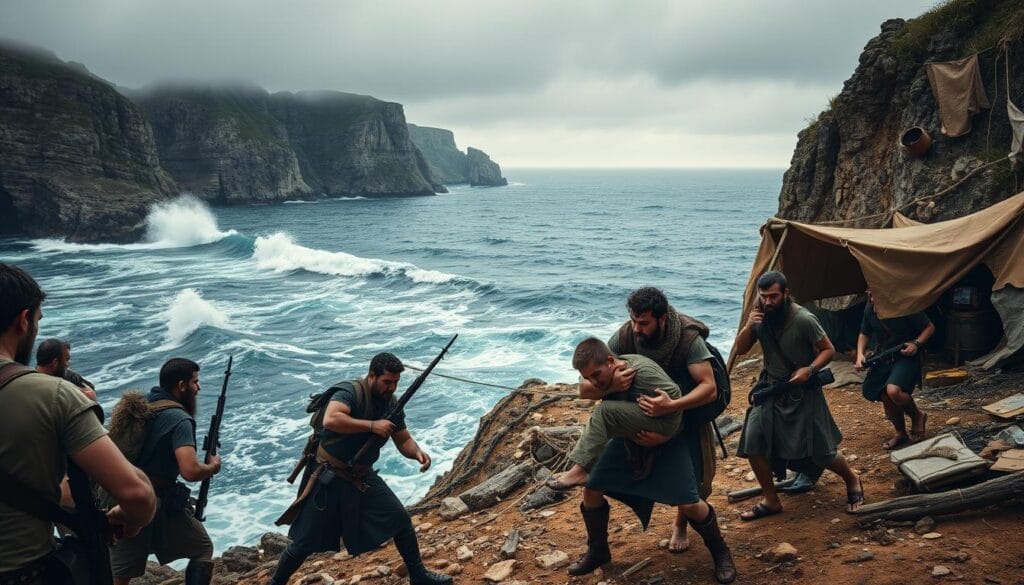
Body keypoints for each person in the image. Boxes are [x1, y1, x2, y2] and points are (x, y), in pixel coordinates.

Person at [566, 287, 736, 584]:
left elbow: (708, 389)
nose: (636, 328)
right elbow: (586, 386)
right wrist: (612, 385)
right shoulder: (625, 338)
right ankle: (598, 551)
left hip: (680, 426)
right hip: (632, 425)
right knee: (592, 487)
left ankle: (720, 551)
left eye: (643, 323)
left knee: (689, 499)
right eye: (633, 320)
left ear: (661, 319)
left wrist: (672, 406)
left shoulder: (687, 339)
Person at [0, 263, 156, 584]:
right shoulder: (55, 395)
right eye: (38, 320)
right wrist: (126, 519)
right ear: (24, 319)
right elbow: (137, 495)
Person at [270, 353, 451, 585]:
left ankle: (418, 576)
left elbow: (403, 439)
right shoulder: (350, 392)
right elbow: (331, 419)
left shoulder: (391, 403)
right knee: (304, 542)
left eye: (396, 382)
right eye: (387, 381)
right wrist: (371, 425)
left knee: (400, 519)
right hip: (328, 475)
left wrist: (417, 453)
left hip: (360, 476)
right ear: (372, 375)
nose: (391, 387)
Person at [733, 271, 864, 521]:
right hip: (770, 390)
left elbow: (828, 350)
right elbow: (740, 349)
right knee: (753, 441)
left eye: (773, 296)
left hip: (802, 391)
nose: (769, 302)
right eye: (764, 297)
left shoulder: (803, 318)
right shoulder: (759, 316)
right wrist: (750, 326)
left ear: (785, 294)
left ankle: (852, 479)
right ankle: (771, 500)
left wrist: (810, 369)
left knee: (822, 451)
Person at [109, 358, 220, 585]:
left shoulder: (144, 407)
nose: (198, 388)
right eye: (195, 382)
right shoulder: (179, 419)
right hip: (156, 501)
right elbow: (189, 470)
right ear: (181, 386)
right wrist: (212, 466)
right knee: (201, 548)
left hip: (124, 497)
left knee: (120, 574)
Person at [545, 337, 683, 489]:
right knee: (600, 424)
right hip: (646, 418)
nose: (594, 382)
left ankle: (579, 471)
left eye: (596, 375)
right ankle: (585, 469)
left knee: (605, 412)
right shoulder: (609, 369)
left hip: (666, 423)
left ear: (610, 361)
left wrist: (667, 434)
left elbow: (675, 393)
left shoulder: (642, 373)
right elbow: (583, 390)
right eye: (588, 377)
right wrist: (612, 387)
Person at [854, 291, 934, 449]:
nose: (872, 299)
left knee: (893, 391)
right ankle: (900, 433)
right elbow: (864, 332)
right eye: (870, 295)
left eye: (875, 295)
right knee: (884, 394)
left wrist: (916, 344)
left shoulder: (905, 304)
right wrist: (860, 355)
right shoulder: (870, 307)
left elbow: (929, 327)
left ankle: (917, 415)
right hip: (884, 355)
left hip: (905, 354)